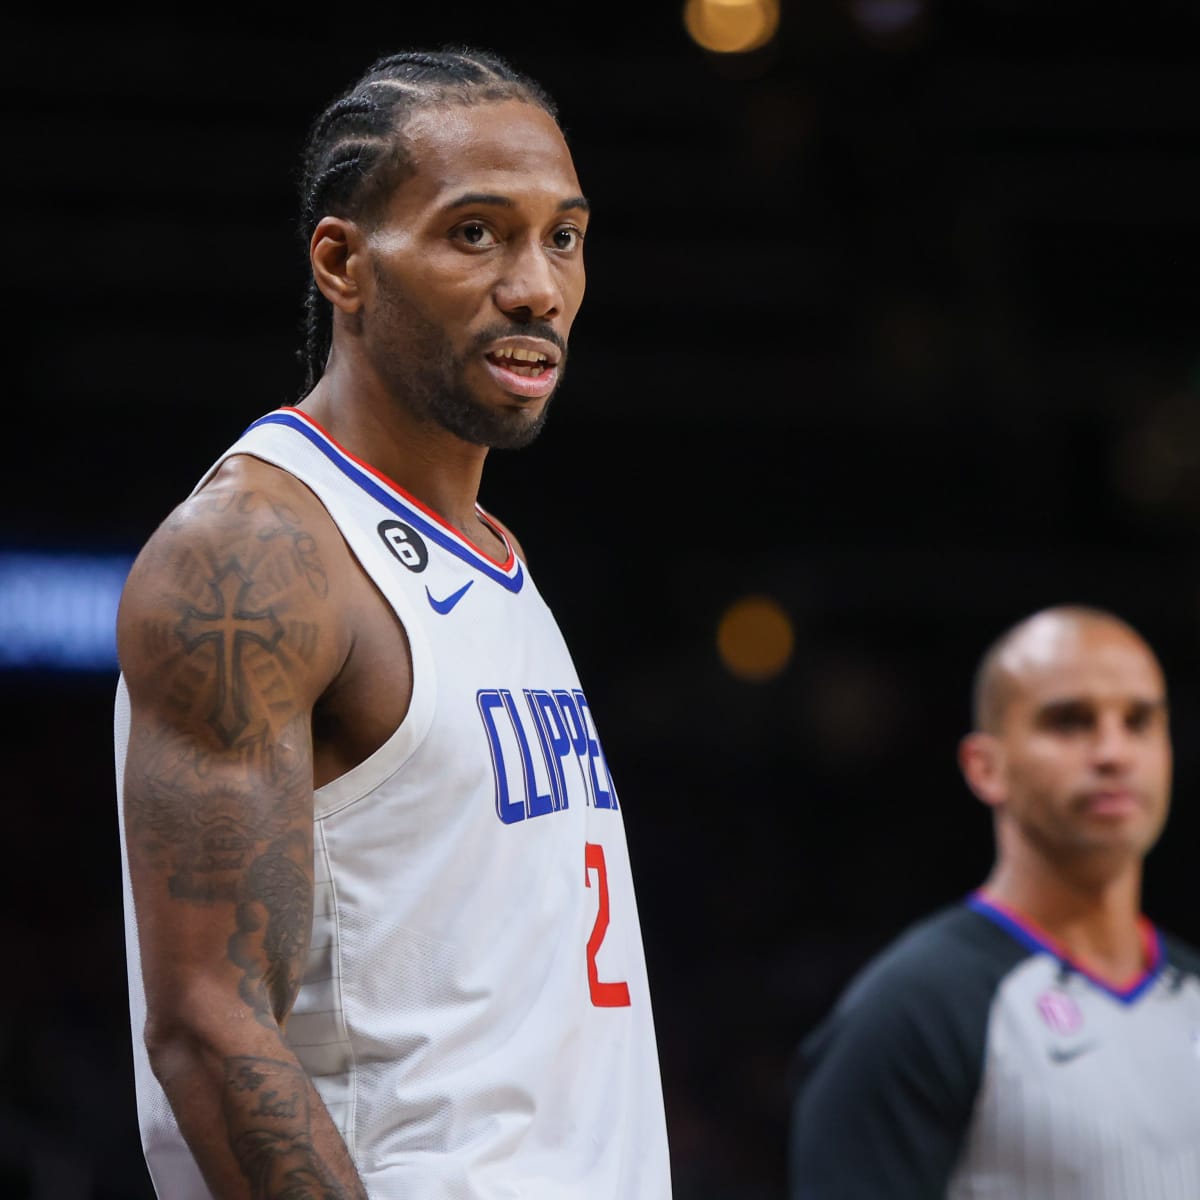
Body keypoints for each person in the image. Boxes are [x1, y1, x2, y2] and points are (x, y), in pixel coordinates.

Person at [114, 48, 671, 1199]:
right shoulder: (257, 556)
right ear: (342, 262)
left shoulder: (492, 552)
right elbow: (209, 1029)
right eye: (477, 233)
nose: (538, 288)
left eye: (561, 236)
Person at [789, 605, 1200, 1198]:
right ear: (986, 766)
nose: (1114, 752)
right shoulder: (910, 1011)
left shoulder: (1190, 993)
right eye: (1069, 721)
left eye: (1139, 721)